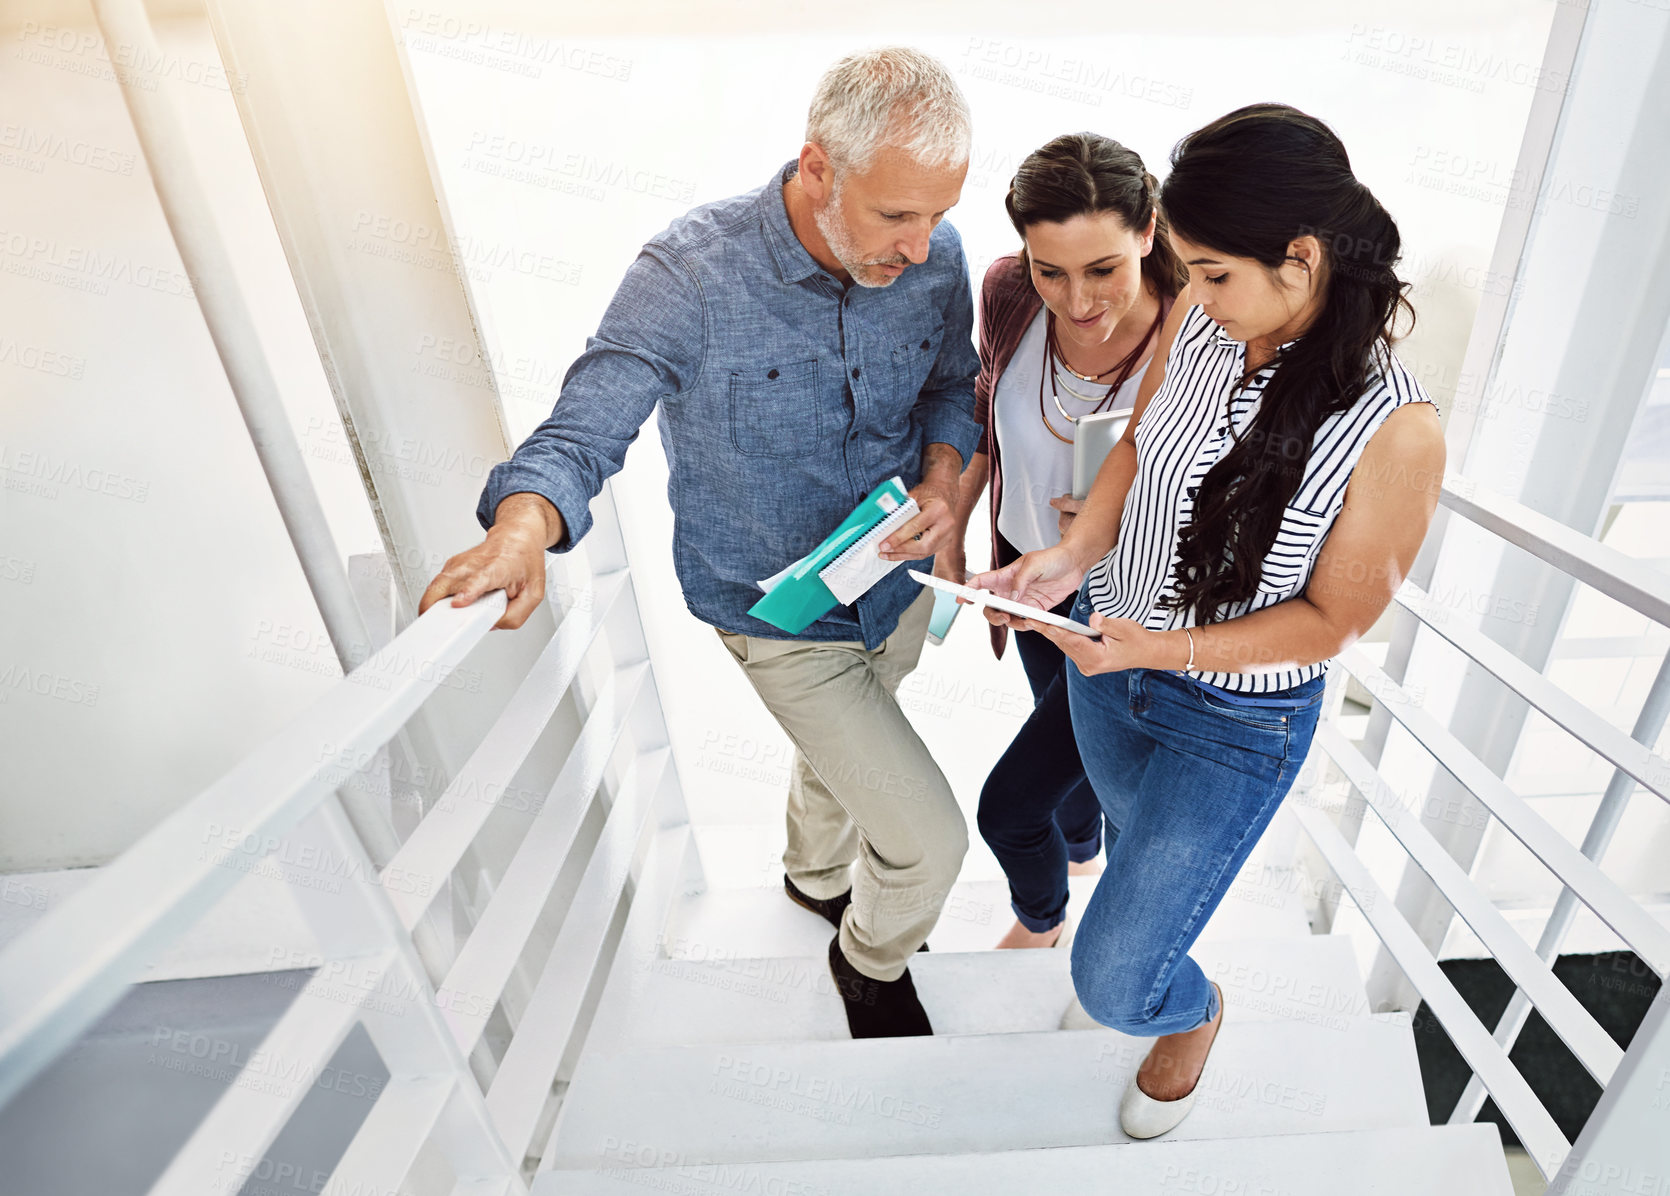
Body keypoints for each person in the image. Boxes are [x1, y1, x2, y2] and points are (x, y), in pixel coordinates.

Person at [418, 48, 982, 1039]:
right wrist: (520, 527)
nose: (920, 243)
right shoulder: (686, 274)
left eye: (935, 213)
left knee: (846, 752)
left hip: (894, 585)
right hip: (775, 612)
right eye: (896, 215)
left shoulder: (935, 259)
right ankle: (867, 957)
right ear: (816, 166)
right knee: (928, 843)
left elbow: (948, 383)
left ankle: (812, 882)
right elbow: (589, 420)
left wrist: (941, 481)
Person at [969, 103, 1445, 1138]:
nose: (1190, 290)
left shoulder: (1395, 431)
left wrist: (1166, 646)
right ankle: (1147, 956)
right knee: (1136, 867)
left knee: (1112, 980)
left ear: (1302, 256)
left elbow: (1328, 624)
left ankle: (1192, 1011)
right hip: (1110, 665)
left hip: (1232, 720)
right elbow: (1137, 449)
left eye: (1214, 271)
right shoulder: (1199, 314)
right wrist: (1066, 558)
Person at [939, 133, 1185, 950]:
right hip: (1024, 574)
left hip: (1120, 602)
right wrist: (957, 524)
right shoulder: (1008, 292)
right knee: (1074, 766)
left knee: (1012, 808)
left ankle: (1044, 920)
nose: (1076, 300)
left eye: (1103, 269)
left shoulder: (1197, 336)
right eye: (1053, 270)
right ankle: (1079, 856)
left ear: (1149, 231)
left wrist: (1127, 511)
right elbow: (984, 412)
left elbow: (1230, 493)